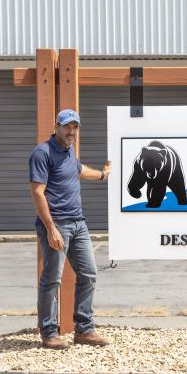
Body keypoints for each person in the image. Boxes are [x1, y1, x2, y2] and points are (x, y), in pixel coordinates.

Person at [29, 109, 111, 349]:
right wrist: (51, 228)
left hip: (78, 223)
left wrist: (102, 175)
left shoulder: (68, 151)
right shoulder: (42, 153)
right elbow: (37, 192)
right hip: (57, 225)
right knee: (52, 279)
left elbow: (78, 170)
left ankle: (84, 330)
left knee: (89, 274)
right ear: (57, 127)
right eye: (67, 126)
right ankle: (49, 332)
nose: (71, 131)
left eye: (75, 127)